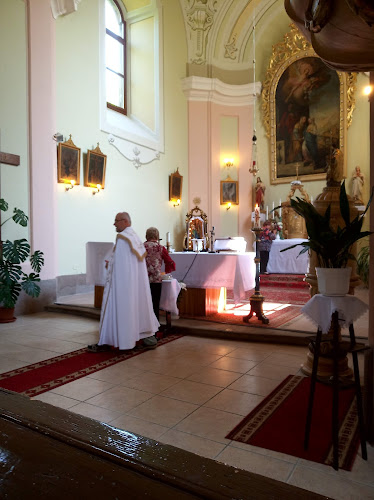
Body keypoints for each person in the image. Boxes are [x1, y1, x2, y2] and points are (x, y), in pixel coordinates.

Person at [88, 212, 159, 352]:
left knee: (118, 309)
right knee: (138, 308)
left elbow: (120, 266)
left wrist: (109, 265)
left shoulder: (123, 238)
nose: (114, 224)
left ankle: (112, 342)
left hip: (123, 285)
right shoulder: (135, 237)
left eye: (117, 221)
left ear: (125, 222)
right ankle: (148, 339)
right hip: (135, 285)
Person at [144, 227, 176, 321]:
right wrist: (166, 273)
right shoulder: (160, 248)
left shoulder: (141, 247)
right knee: (155, 303)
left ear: (146, 236)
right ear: (157, 236)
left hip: (143, 279)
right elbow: (169, 262)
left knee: (143, 303)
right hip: (156, 279)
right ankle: (155, 326)